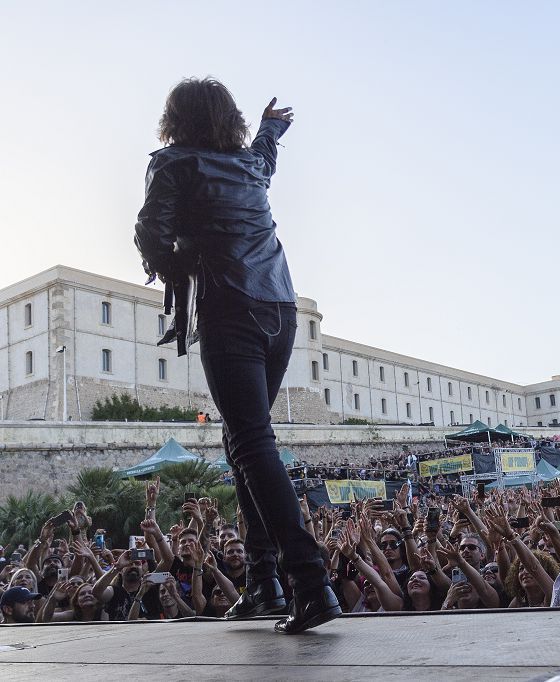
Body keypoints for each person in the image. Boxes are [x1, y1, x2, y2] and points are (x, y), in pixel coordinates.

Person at [134, 77, 337, 633]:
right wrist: (272, 126)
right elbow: (265, 160)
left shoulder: (172, 163)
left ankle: (309, 581)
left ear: (175, 118)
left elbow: (150, 230)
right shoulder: (247, 167)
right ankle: (263, 582)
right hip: (280, 308)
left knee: (250, 441)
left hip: (229, 306)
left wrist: (174, 263)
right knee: (243, 441)